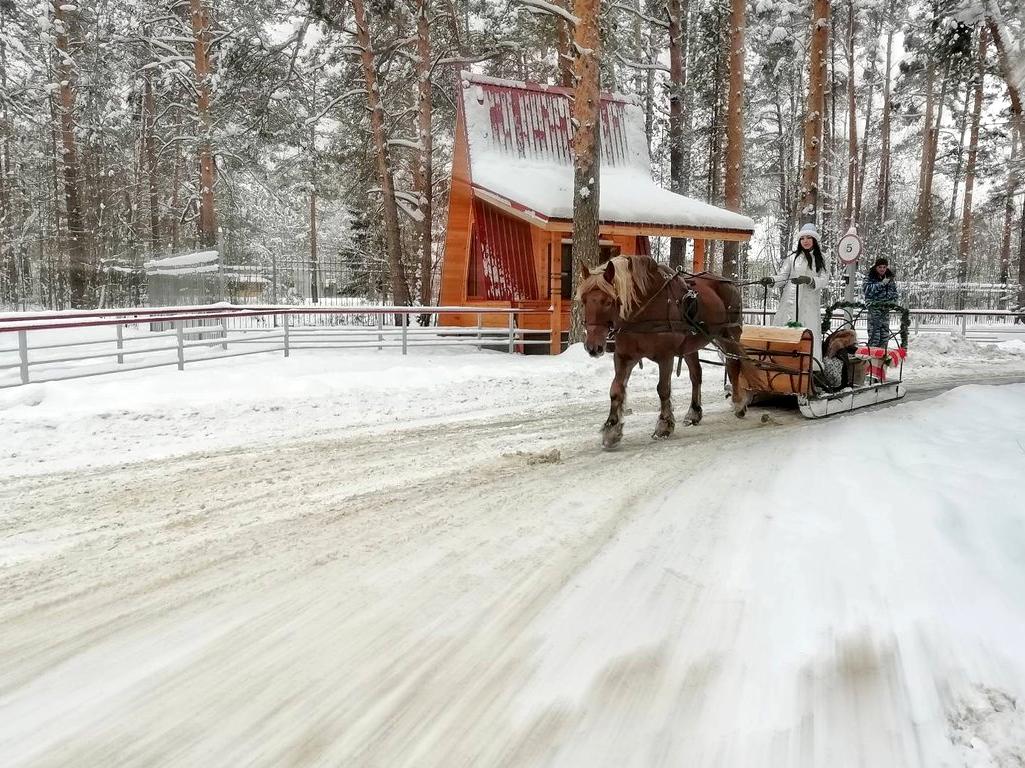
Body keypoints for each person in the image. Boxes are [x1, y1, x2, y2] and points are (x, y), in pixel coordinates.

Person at [761, 222, 830, 364]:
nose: (805, 241)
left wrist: (810, 280)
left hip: (808, 305)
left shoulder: (823, 258)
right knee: (785, 331)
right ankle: (781, 363)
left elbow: (824, 280)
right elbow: (783, 276)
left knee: (807, 333)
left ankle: (809, 366)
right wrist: (771, 280)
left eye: (808, 238)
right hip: (789, 303)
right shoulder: (792, 258)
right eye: (802, 238)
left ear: (814, 240)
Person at [863, 256, 898, 348]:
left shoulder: (890, 279)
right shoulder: (870, 277)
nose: (882, 269)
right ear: (876, 267)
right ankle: (872, 357)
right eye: (880, 267)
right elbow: (867, 290)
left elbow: (894, 292)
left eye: (884, 267)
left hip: (885, 309)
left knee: (884, 335)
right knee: (875, 335)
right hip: (874, 309)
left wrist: (893, 302)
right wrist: (881, 284)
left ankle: (882, 356)